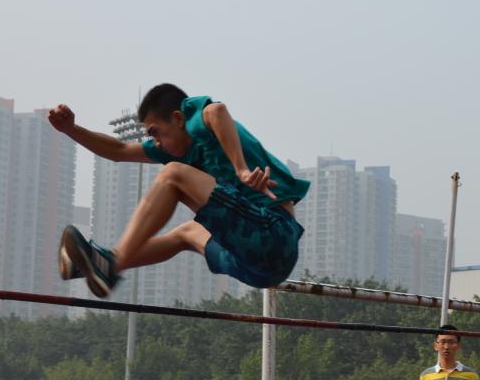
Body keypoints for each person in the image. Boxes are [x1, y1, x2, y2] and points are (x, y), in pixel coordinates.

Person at [47, 84, 309, 299]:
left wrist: (241, 169)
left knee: (173, 174)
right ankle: (98, 264)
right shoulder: (173, 148)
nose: (156, 143)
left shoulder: (196, 122)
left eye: (156, 133)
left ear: (178, 119)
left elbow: (217, 111)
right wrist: (71, 130)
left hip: (275, 236)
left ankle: (111, 266)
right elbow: (119, 150)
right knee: (186, 233)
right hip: (254, 268)